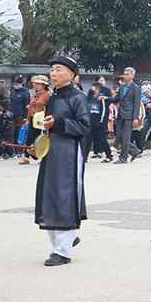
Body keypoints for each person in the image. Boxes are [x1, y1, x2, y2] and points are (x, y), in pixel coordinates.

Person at [35, 56, 90, 266]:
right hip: (51, 151)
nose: (53, 73)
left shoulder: (78, 97)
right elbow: (47, 127)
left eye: (58, 69)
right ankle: (67, 236)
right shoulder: (51, 98)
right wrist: (37, 146)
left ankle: (63, 250)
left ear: (72, 75)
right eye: (52, 69)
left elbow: (85, 127)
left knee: (66, 195)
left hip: (69, 153)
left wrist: (59, 123)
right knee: (48, 194)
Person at [108, 67, 143, 163]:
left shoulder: (136, 88)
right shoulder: (122, 87)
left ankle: (123, 158)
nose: (125, 76)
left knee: (126, 137)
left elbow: (136, 104)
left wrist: (135, 118)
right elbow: (117, 99)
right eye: (124, 74)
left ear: (132, 76)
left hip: (130, 115)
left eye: (127, 74)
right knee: (119, 136)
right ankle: (134, 151)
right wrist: (107, 98)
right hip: (121, 114)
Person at [85, 82, 111, 163]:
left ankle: (109, 155)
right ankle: (84, 157)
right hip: (91, 124)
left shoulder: (101, 99)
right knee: (88, 141)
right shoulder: (91, 99)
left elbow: (104, 111)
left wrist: (101, 122)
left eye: (92, 89)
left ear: (97, 90)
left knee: (102, 139)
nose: (91, 90)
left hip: (99, 124)